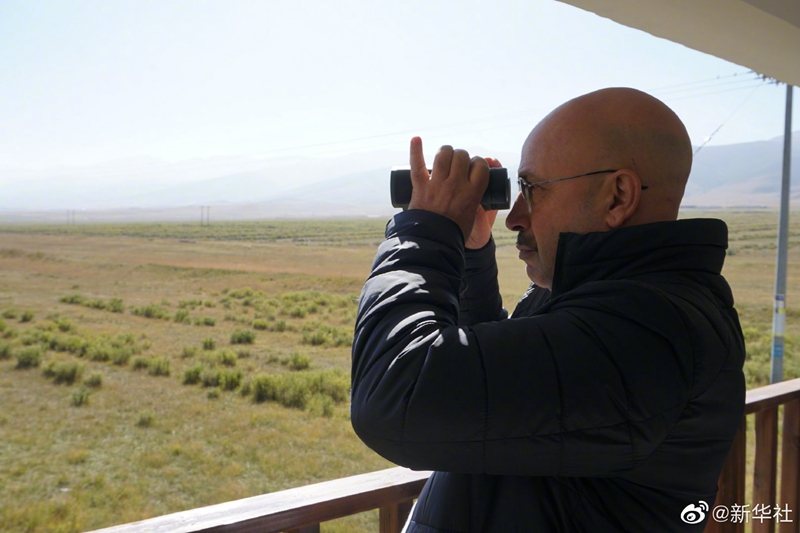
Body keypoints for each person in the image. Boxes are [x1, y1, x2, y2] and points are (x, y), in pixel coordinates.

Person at [350, 87, 745, 532]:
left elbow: (395, 400)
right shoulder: (616, 306)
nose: (514, 217)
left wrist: (425, 232)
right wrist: (472, 257)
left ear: (617, 197)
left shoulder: (648, 331)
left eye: (531, 189)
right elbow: (495, 393)